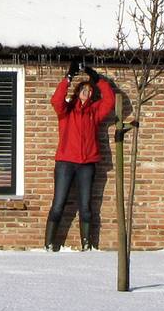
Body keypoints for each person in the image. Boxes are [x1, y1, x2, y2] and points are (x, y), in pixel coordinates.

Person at [46, 62, 114, 251]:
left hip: (87, 164)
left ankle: (87, 243)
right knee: (58, 204)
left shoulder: (95, 112)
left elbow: (109, 100)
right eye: (83, 89)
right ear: (77, 92)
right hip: (66, 163)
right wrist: (68, 78)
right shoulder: (66, 111)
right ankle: (49, 243)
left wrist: (97, 79)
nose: (87, 92)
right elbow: (56, 100)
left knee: (86, 207)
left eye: (89, 90)